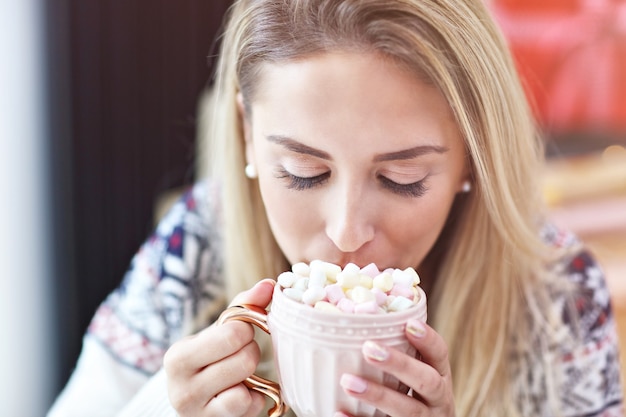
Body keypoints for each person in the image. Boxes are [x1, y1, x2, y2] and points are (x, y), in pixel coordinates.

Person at [47, 0, 624, 416]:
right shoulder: (199, 241)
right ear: (248, 135)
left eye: (403, 179)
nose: (347, 232)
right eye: (305, 173)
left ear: (473, 156)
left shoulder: (557, 294)